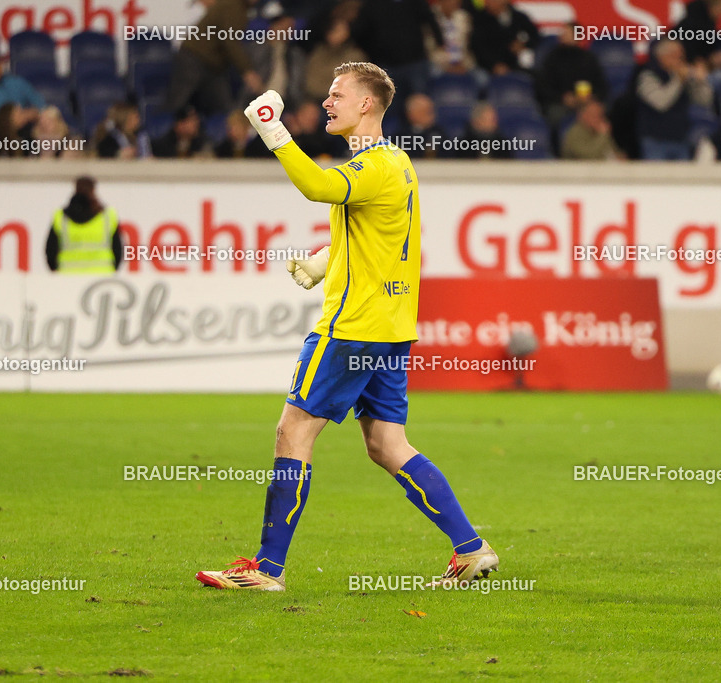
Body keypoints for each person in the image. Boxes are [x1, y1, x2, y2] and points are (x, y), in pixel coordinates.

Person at [196, 61, 497, 591]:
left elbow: (314, 185)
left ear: (367, 104)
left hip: (351, 327)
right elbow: (378, 236)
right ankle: (471, 549)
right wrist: (324, 257)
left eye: (338, 94)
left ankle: (266, 570)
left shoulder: (374, 165)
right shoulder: (396, 164)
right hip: (391, 327)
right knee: (387, 444)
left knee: (293, 433)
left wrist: (273, 129)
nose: (328, 102)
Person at [164, 0, 263, 116]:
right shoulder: (233, 6)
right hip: (194, 57)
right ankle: (162, 129)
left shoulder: (240, 8)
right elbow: (230, 41)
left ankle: (224, 131)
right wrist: (247, 71)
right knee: (177, 104)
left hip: (213, 65)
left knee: (224, 109)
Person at [636, 40, 713, 160]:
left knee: (682, 179)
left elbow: (705, 101)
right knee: (655, 178)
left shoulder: (682, 76)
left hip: (680, 139)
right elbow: (661, 103)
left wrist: (700, 81)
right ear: (662, 57)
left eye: (681, 56)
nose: (680, 61)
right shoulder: (647, 75)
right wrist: (678, 80)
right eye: (675, 56)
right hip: (655, 141)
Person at [352, 0, 441, 100]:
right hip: (386, 65)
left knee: (420, 103)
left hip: (415, 61)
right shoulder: (372, 4)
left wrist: (440, 42)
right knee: (388, 105)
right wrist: (373, 54)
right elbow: (360, 31)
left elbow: (430, 19)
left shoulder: (415, 2)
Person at [45, 176, 123, 274]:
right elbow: (117, 249)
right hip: (101, 274)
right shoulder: (108, 216)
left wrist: (57, 272)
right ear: (94, 190)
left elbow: (51, 251)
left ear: (75, 190)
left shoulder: (61, 216)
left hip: (68, 275)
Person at [537, 21, 608, 126]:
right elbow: (543, 86)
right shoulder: (552, 58)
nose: (562, 36)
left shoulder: (588, 58)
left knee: (598, 111)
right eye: (562, 33)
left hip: (586, 102)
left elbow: (601, 85)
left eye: (567, 33)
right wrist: (562, 98)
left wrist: (591, 97)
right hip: (560, 103)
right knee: (556, 114)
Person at [304, 17, 366, 103]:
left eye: (340, 30)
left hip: (338, 102)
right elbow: (309, 81)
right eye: (333, 30)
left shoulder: (355, 57)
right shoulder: (318, 52)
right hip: (310, 99)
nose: (335, 34)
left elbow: (348, 88)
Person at [469, 0, 540, 76]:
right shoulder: (479, 20)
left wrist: (523, 45)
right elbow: (478, 47)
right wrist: (494, 65)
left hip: (517, 65)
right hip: (488, 68)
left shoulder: (518, 17)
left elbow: (536, 37)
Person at [427, 0, 476, 75]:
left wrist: (461, 63)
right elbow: (429, 48)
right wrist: (448, 64)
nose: (454, 2)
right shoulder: (431, 18)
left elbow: (467, 47)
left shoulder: (464, 17)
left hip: (463, 65)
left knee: (481, 79)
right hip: (439, 65)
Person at [395, 93, 447, 159]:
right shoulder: (400, 135)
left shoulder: (439, 134)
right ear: (412, 114)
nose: (432, 116)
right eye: (427, 112)